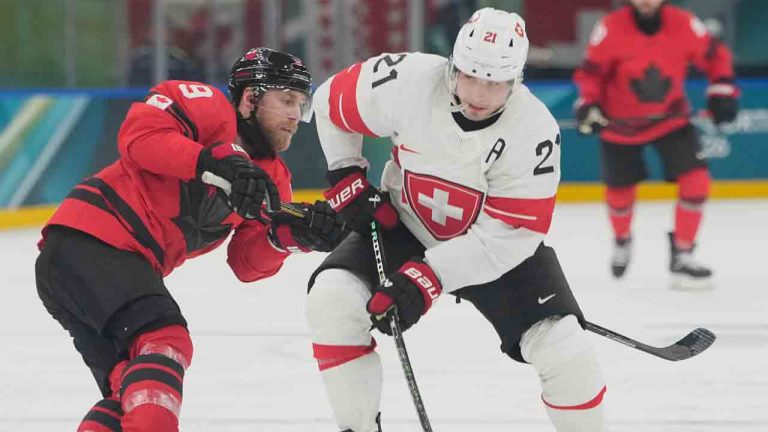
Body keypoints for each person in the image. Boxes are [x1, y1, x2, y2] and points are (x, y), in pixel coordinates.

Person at [306, 8, 607, 432]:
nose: (481, 93)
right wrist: (344, 170)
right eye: (471, 76)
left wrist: (430, 276)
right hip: (403, 225)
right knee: (332, 299)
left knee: (566, 349)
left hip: (492, 249)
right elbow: (330, 103)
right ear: (453, 65)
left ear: (516, 80)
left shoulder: (535, 130)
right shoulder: (407, 80)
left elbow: (511, 236)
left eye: (496, 82)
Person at [35, 47, 345, 432]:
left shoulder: (273, 178)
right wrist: (209, 162)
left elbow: (246, 263)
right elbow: (139, 137)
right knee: (165, 340)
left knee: (131, 389)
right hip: (91, 241)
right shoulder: (208, 107)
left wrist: (291, 237)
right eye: (286, 100)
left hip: (84, 264)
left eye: (301, 104)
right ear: (250, 98)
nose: (296, 116)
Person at [573, 0, 739, 288]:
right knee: (619, 193)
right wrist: (589, 105)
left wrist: (722, 90)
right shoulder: (610, 28)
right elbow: (590, 74)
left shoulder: (684, 23)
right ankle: (622, 240)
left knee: (696, 182)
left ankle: (683, 254)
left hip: (671, 118)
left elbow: (716, 56)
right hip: (620, 124)